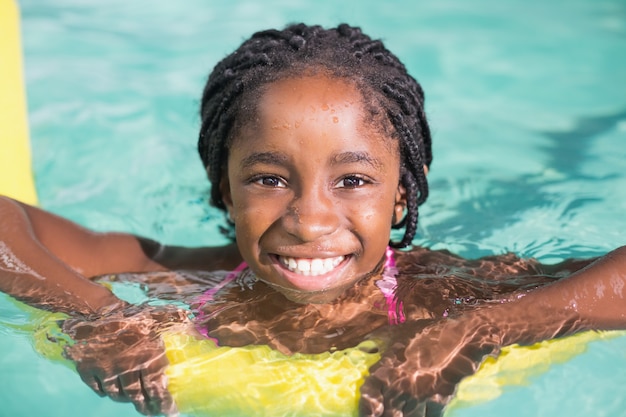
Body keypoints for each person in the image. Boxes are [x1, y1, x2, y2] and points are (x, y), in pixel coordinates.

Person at [0, 23, 624, 417]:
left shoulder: (443, 295)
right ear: (224, 191)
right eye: (270, 179)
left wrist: (481, 330)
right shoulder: (184, 280)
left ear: (401, 198)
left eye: (352, 181)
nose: (309, 219)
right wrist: (97, 315)